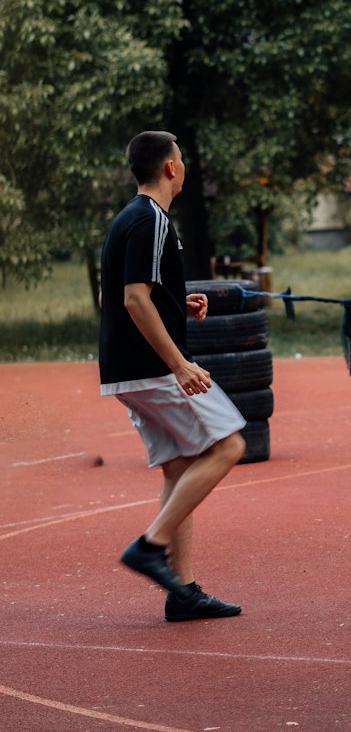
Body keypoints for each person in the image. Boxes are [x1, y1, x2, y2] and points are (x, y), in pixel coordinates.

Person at [100, 130, 246, 620]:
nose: (182, 165)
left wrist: (175, 303)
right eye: (180, 158)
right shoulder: (151, 220)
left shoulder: (130, 219)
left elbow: (128, 295)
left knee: (181, 466)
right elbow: (132, 299)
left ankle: (182, 593)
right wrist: (180, 365)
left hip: (125, 369)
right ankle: (149, 545)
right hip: (151, 369)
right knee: (228, 446)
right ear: (170, 168)